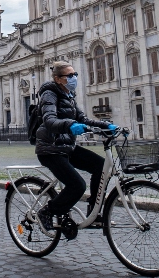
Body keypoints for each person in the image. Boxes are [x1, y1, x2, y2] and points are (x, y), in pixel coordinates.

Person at [34, 61, 117, 233]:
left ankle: (94, 212)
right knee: (77, 186)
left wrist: (106, 125)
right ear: (58, 79)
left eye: (75, 75)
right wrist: (70, 125)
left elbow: (83, 119)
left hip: (66, 147)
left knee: (101, 167)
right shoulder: (49, 94)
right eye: (70, 76)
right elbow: (49, 120)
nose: (74, 78)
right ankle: (47, 212)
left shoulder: (69, 96)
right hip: (50, 149)